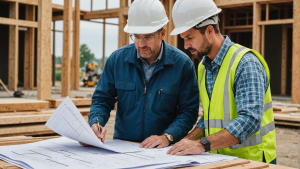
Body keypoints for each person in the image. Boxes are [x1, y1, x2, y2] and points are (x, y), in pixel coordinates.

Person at [167, 0, 276, 164]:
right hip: (219, 158)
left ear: (209, 31)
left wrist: (202, 145)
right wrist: (188, 140)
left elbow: (250, 120)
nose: (186, 45)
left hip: (251, 161)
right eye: (183, 38)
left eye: (189, 37)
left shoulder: (245, 64)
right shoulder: (204, 67)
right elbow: (210, 118)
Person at [81, 0, 199, 149]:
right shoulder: (117, 60)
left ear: (162, 33)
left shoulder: (182, 64)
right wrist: (96, 124)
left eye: (148, 37)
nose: (141, 44)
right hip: (123, 147)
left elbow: (188, 111)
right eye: (136, 36)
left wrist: (168, 136)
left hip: (163, 150)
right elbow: (102, 100)